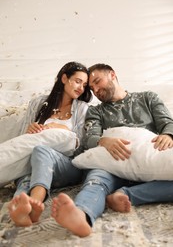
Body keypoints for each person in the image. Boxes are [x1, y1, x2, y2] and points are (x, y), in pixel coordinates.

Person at [51, 63, 173, 237]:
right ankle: (81, 215)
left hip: (149, 164)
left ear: (113, 75)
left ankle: (127, 195)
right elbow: (89, 139)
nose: (96, 90)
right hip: (111, 166)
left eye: (98, 82)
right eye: (92, 88)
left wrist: (168, 135)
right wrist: (104, 141)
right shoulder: (96, 111)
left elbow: (168, 123)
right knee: (96, 180)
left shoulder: (147, 98)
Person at [8, 61, 92, 227]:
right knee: (25, 173)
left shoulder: (82, 108)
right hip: (34, 161)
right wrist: (29, 129)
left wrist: (59, 127)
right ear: (64, 78)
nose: (81, 87)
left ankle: (34, 204)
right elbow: (21, 141)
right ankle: (20, 207)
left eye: (84, 84)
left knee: (41, 151)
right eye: (77, 81)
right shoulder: (38, 104)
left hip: (67, 165)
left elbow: (82, 144)